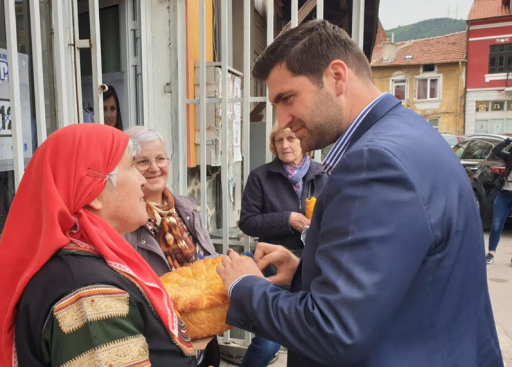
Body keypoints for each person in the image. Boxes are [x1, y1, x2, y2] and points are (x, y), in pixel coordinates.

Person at [215, 20, 504, 367]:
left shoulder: (373, 162)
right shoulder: (409, 132)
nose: (283, 118)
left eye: (287, 98)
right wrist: (306, 272)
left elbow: (334, 330)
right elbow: (405, 273)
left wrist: (245, 286)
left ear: (337, 77)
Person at [0, 124, 196, 367]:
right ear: (94, 193)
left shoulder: (91, 264)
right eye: (132, 166)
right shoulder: (87, 294)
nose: (143, 180)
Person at [124, 126, 220, 367]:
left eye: (160, 158)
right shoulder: (125, 223)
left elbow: (203, 266)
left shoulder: (185, 210)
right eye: (142, 161)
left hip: (201, 334)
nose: (154, 168)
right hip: (161, 341)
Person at [237, 125, 327, 367]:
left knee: (308, 337)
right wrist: (287, 219)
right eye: (279, 140)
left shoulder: (324, 175)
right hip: (274, 266)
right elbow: (247, 222)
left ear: (304, 142)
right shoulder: (261, 176)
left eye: (291, 138)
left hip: (312, 266)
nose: (285, 145)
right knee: (268, 341)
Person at [487, 137, 512, 265]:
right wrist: (508, 141)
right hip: (504, 194)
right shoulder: (509, 157)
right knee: (496, 225)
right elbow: (496, 150)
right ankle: (491, 253)